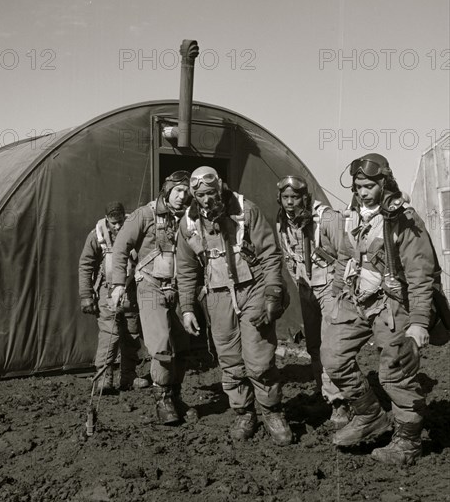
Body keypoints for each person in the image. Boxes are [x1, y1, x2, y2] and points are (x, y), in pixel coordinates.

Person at [321, 153, 436, 465]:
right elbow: (346, 253)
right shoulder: (356, 214)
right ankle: (370, 415)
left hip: (392, 305)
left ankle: (408, 443)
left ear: (385, 182)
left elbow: (420, 274)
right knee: (332, 357)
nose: (362, 191)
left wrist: (419, 323)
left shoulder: (405, 220)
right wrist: (336, 293)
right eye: (358, 186)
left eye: (369, 185)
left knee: (394, 373)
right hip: (356, 299)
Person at [177, 166, 292, 445]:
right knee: (229, 357)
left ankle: (272, 411)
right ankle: (244, 412)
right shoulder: (188, 224)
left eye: (211, 193)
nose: (206, 200)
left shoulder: (245, 210)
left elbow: (269, 253)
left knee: (258, 356)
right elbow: (186, 269)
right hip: (217, 295)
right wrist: (188, 307)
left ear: (220, 188)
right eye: (200, 195)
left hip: (252, 289)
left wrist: (273, 292)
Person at [111, 171, 193, 425]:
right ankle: (163, 399)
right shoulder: (144, 214)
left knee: (183, 345)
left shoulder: (191, 218)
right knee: (161, 344)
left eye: (187, 191)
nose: (183, 196)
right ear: (166, 190)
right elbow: (120, 247)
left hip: (179, 288)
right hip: (149, 286)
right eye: (178, 190)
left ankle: (176, 396)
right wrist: (116, 285)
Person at [276, 175, 349, 429]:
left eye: (294, 198)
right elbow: (287, 256)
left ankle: (342, 404)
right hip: (306, 288)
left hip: (330, 288)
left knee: (332, 347)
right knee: (315, 347)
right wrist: (298, 284)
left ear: (304, 198)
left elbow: (347, 255)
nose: (289, 203)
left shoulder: (327, 218)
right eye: (285, 198)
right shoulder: (282, 223)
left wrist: (339, 287)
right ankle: (326, 396)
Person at [79, 201, 143, 393]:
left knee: (132, 333)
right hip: (106, 292)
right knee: (109, 333)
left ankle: (129, 376)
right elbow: (85, 265)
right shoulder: (96, 236)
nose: (117, 226)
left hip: (131, 291)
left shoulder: (135, 230)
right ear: (107, 219)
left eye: (120, 221)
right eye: (113, 223)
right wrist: (86, 295)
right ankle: (103, 377)